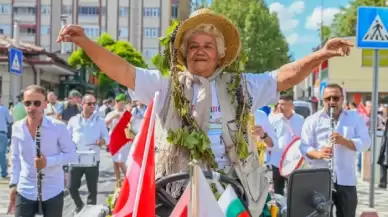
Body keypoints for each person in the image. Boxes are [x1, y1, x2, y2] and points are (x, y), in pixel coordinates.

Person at [57, 8, 353, 216]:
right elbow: (122, 70)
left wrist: (322, 53)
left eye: (208, 46)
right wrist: (84, 41)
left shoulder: (242, 85)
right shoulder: (164, 85)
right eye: (194, 45)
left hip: (235, 193)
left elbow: (284, 76)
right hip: (174, 194)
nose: (201, 50)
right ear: (185, 53)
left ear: (220, 53)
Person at [299, 83, 371, 217]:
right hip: (320, 179)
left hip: (346, 180)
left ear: (342, 99)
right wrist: (318, 154)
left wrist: (345, 141)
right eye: (328, 99)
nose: (332, 102)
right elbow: (304, 146)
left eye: (336, 98)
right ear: (323, 100)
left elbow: (366, 143)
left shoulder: (355, 118)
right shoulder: (312, 120)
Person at [9, 85, 77, 217]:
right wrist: (13, 183)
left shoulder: (58, 127)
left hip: (52, 189)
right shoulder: (17, 127)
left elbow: (72, 154)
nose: (32, 107)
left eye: (37, 103)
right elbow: (15, 157)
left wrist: (48, 162)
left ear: (45, 104)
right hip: (25, 188)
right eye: (28, 103)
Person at [67, 94, 109, 214]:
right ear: (82, 105)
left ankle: (90, 213)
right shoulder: (73, 120)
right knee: (71, 187)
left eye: (94, 104)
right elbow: (66, 137)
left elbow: (107, 136)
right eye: (89, 104)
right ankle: (79, 205)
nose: (92, 106)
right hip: (76, 158)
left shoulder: (99, 121)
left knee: (92, 190)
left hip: (92, 159)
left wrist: (103, 141)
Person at [269, 95, 304, 196]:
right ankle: (279, 211)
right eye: (279, 104)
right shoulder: (273, 119)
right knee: (278, 192)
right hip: (277, 161)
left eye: (283, 104)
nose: (280, 106)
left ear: (291, 106)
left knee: (294, 191)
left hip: (294, 162)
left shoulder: (300, 119)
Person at [105, 94, 131, 186]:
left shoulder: (127, 113)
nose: (122, 105)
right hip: (113, 139)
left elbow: (130, 125)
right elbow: (105, 124)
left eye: (123, 103)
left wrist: (122, 119)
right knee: (115, 162)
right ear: (116, 102)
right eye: (120, 103)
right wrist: (113, 117)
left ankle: (128, 180)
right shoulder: (111, 113)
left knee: (121, 160)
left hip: (124, 140)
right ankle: (118, 183)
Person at [0, 95, 13, 178]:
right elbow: (11, 120)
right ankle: (3, 173)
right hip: (1, 134)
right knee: (2, 154)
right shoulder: (4, 109)